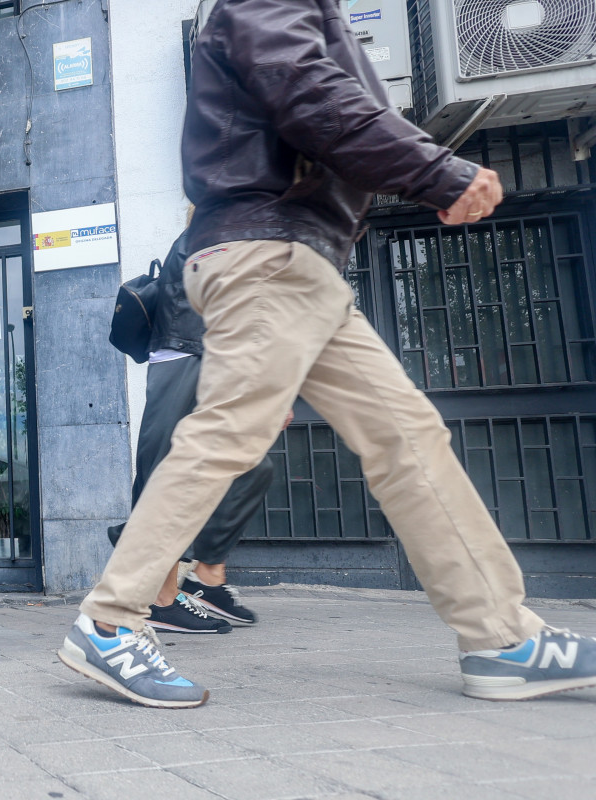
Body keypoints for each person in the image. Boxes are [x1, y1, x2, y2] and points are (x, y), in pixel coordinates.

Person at [59, 0, 596, 708]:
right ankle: (110, 619)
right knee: (229, 433)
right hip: (268, 249)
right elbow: (311, 94)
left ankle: (501, 639)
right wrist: (437, 171)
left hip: (305, 263)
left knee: (407, 437)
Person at [108, 230, 277, 635]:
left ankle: (206, 578)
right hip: (184, 356)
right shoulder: (217, 227)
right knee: (166, 474)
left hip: (212, 363)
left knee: (252, 467)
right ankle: (158, 600)